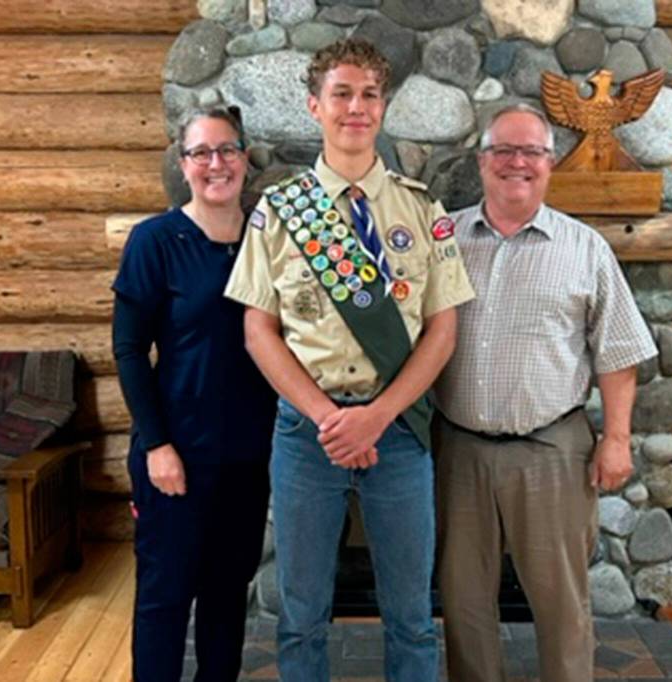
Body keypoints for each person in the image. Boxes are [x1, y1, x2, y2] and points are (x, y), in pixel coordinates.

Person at [224, 38, 475, 682]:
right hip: (309, 435)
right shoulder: (280, 214)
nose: (355, 108)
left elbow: (442, 331)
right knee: (302, 613)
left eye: (368, 95)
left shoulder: (423, 211)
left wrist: (378, 417)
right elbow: (259, 331)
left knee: (413, 616)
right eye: (342, 93)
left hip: (399, 434)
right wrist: (333, 420)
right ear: (315, 106)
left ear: (383, 109)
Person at [434, 104, 659, 682]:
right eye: (503, 150)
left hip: (553, 450)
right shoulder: (443, 240)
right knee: (463, 602)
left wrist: (616, 438)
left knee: (561, 603)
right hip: (457, 450)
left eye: (530, 151)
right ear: (482, 161)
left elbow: (618, 353)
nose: (517, 162)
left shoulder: (584, 249)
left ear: (550, 163)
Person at [112, 106, 276, 682]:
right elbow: (130, 351)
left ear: (245, 159)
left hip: (249, 457)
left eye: (227, 149)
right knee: (165, 597)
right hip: (175, 457)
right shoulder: (155, 241)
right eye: (201, 153)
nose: (216, 163)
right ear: (184, 165)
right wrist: (157, 444)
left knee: (228, 596)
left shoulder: (267, 238)